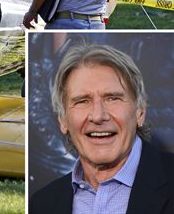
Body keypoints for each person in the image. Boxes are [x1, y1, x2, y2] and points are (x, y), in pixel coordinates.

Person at [29, 44, 174, 214]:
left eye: (112, 98)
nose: (98, 116)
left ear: (140, 112)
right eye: (82, 101)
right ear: (63, 120)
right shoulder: (41, 204)